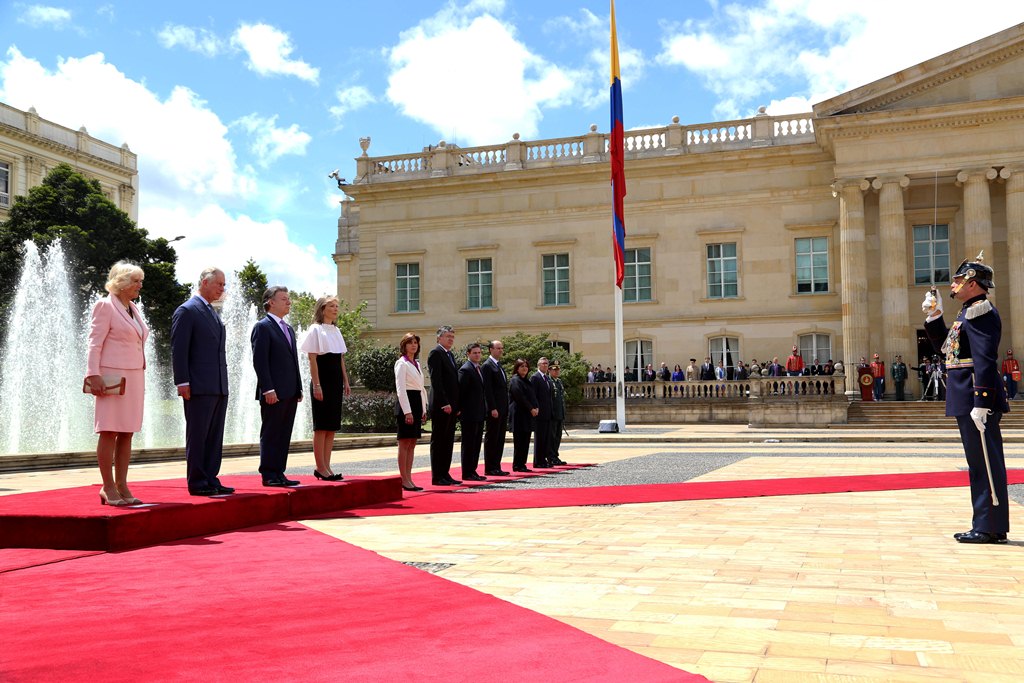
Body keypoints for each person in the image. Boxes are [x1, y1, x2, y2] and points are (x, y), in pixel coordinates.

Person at [923, 254, 1009, 544]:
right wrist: (935, 317)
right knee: (979, 462)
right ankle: (989, 524)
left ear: (972, 283)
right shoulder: (967, 312)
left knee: (984, 462)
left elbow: (985, 358)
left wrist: (982, 400)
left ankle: (988, 526)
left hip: (975, 394)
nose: (954, 284)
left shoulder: (980, 310)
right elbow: (948, 348)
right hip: (967, 395)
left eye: (959, 280)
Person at [85, 262, 149, 506]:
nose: (139, 285)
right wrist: (93, 374)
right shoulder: (105, 305)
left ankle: (122, 484)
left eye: (140, 281)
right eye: (135, 281)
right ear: (121, 282)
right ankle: (107, 486)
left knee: (127, 432)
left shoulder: (133, 308)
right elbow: (94, 343)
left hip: (134, 375)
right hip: (111, 376)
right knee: (109, 430)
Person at [171, 267, 233, 497]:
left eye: (223, 285)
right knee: (198, 435)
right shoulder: (187, 310)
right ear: (205, 282)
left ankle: (210, 477)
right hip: (198, 385)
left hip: (217, 385)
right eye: (219, 284)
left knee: (214, 436)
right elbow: (179, 349)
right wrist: (182, 382)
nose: (222, 288)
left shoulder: (211, 311)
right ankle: (197, 481)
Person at [251, 285, 303, 487]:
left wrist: (298, 387)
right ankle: (269, 473)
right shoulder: (262, 327)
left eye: (288, 299)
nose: (288, 302)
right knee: (272, 432)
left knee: (284, 433)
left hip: (290, 391)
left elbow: (294, 360)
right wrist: (268, 388)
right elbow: (260, 361)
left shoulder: (288, 328)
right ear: (271, 302)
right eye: (284, 299)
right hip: (273, 391)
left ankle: (279, 472)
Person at [299, 295, 351, 481]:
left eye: (337, 306)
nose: (336, 309)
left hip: (336, 381)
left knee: (331, 427)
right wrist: (317, 385)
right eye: (331, 306)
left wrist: (346, 381)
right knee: (321, 426)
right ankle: (320, 467)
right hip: (323, 381)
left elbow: (340, 359)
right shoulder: (315, 329)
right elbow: (312, 359)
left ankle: (327, 466)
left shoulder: (336, 331)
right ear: (322, 309)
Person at [427, 325, 461, 486]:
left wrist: (456, 404)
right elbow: (437, 381)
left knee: (448, 441)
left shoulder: (449, 355)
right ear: (439, 338)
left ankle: (445, 473)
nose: (450, 339)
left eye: (452, 337)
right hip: (442, 405)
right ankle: (437, 475)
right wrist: (444, 402)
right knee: (439, 440)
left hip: (452, 405)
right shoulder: (436, 353)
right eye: (448, 336)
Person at [394, 333, 427, 491]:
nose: (413, 345)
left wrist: (423, 408)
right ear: (404, 345)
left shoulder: (417, 364)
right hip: (406, 404)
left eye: (415, 343)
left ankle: (409, 477)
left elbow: (421, 388)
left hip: (416, 403)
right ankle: (403, 478)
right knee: (404, 443)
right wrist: (407, 412)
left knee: (412, 443)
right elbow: (400, 390)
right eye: (410, 343)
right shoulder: (401, 363)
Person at [457, 342, 489, 481]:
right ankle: (467, 472)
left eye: (479, 352)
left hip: (479, 412)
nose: (477, 355)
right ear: (468, 354)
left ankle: (473, 470)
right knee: (469, 443)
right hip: (469, 413)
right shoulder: (466, 369)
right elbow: (461, 392)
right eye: (474, 353)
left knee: (476, 443)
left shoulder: (478, 369)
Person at [481, 340, 510, 476]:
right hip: (494, 409)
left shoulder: (499, 365)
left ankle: (496, 466)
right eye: (498, 348)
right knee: (492, 437)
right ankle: (490, 467)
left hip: (502, 408)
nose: (501, 350)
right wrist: (492, 407)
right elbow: (488, 389)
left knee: (500, 438)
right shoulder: (487, 366)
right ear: (491, 349)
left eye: (502, 348)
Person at [508, 359, 538, 472]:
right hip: (519, 415)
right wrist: (531, 408)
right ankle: (517, 464)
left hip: (527, 415)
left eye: (526, 366)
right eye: (521, 366)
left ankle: (522, 464)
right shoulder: (515, 380)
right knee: (519, 441)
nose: (524, 368)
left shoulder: (526, 381)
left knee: (525, 440)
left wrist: (536, 407)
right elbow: (520, 397)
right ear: (517, 368)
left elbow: (533, 396)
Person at [531, 357, 554, 468]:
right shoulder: (535, 377)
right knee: (540, 438)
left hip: (548, 413)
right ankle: (538, 461)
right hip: (540, 413)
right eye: (543, 363)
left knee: (546, 438)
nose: (545, 365)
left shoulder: (547, 379)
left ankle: (544, 459)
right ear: (538, 365)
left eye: (546, 364)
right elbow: (533, 395)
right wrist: (535, 408)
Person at [549, 362, 567, 466]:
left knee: (558, 436)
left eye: (558, 370)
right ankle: (551, 457)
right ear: (550, 371)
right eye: (554, 370)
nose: (556, 371)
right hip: (553, 414)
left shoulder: (559, 382)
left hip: (560, 413)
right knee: (552, 437)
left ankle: (555, 455)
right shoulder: (549, 381)